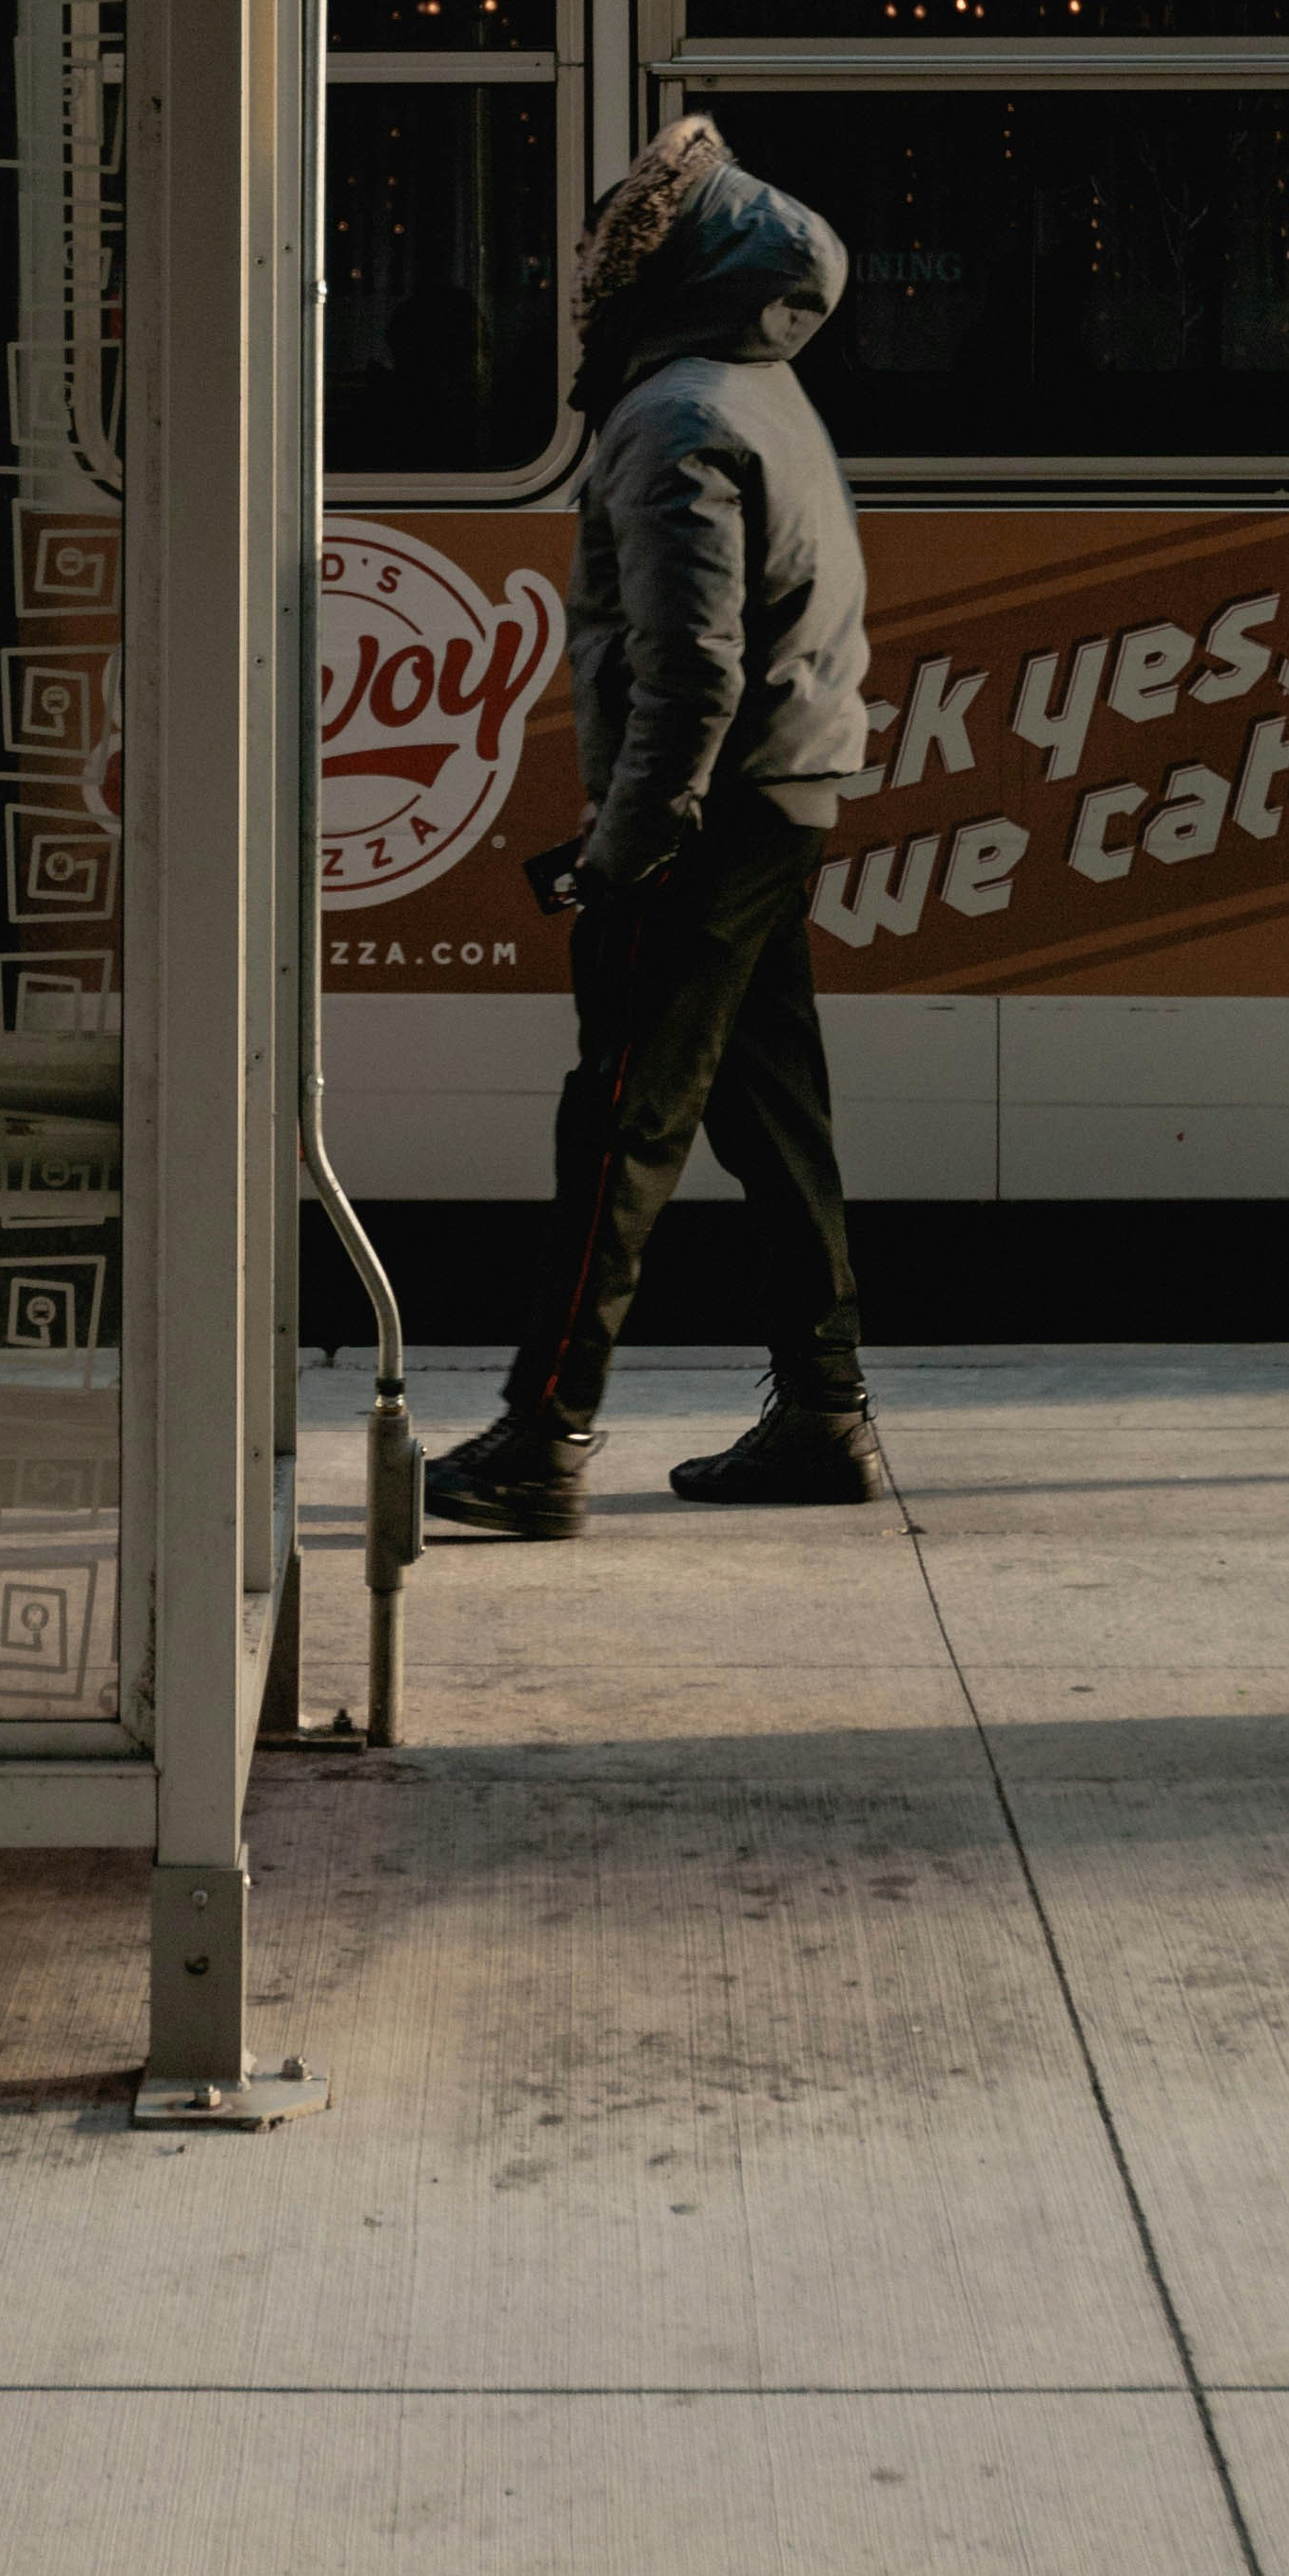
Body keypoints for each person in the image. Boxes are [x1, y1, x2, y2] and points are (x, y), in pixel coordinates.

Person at [424, 115, 885, 1539]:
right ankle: (823, 1410)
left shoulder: (675, 415)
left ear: (664, 267)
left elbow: (689, 671)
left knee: (621, 1121)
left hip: (708, 811)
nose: (583, 280)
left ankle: (542, 1438)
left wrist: (630, 845)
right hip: (782, 797)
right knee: (774, 1114)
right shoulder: (764, 392)